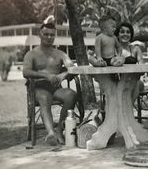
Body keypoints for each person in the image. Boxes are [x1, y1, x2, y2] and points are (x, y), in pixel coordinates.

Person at [22, 16, 104, 145]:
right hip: (38, 88)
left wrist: (63, 75)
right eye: (46, 34)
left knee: (71, 95)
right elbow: (25, 72)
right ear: (40, 34)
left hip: (55, 88)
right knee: (44, 97)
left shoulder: (60, 54)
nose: (49, 37)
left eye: (52, 35)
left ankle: (59, 129)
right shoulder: (31, 54)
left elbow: (72, 68)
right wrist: (46, 76)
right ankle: (50, 133)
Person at [114, 22, 145, 98]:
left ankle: (127, 108)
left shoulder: (135, 49)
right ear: (117, 34)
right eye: (122, 32)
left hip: (134, 81)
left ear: (131, 35)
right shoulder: (112, 49)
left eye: (128, 32)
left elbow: (143, 69)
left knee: (136, 84)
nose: (125, 34)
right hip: (116, 83)